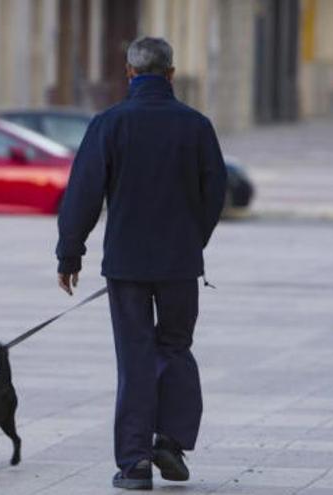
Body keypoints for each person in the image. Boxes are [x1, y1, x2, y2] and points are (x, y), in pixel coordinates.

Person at [55, 36, 226, 491]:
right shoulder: (196, 126)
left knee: (134, 359)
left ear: (129, 74)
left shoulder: (110, 124)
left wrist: (70, 253)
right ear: (170, 74)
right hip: (179, 264)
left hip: (127, 266)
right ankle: (170, 441)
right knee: (175, 348)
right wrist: (192, 240)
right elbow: (215, 194)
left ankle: (134, 464)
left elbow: (83, 194)